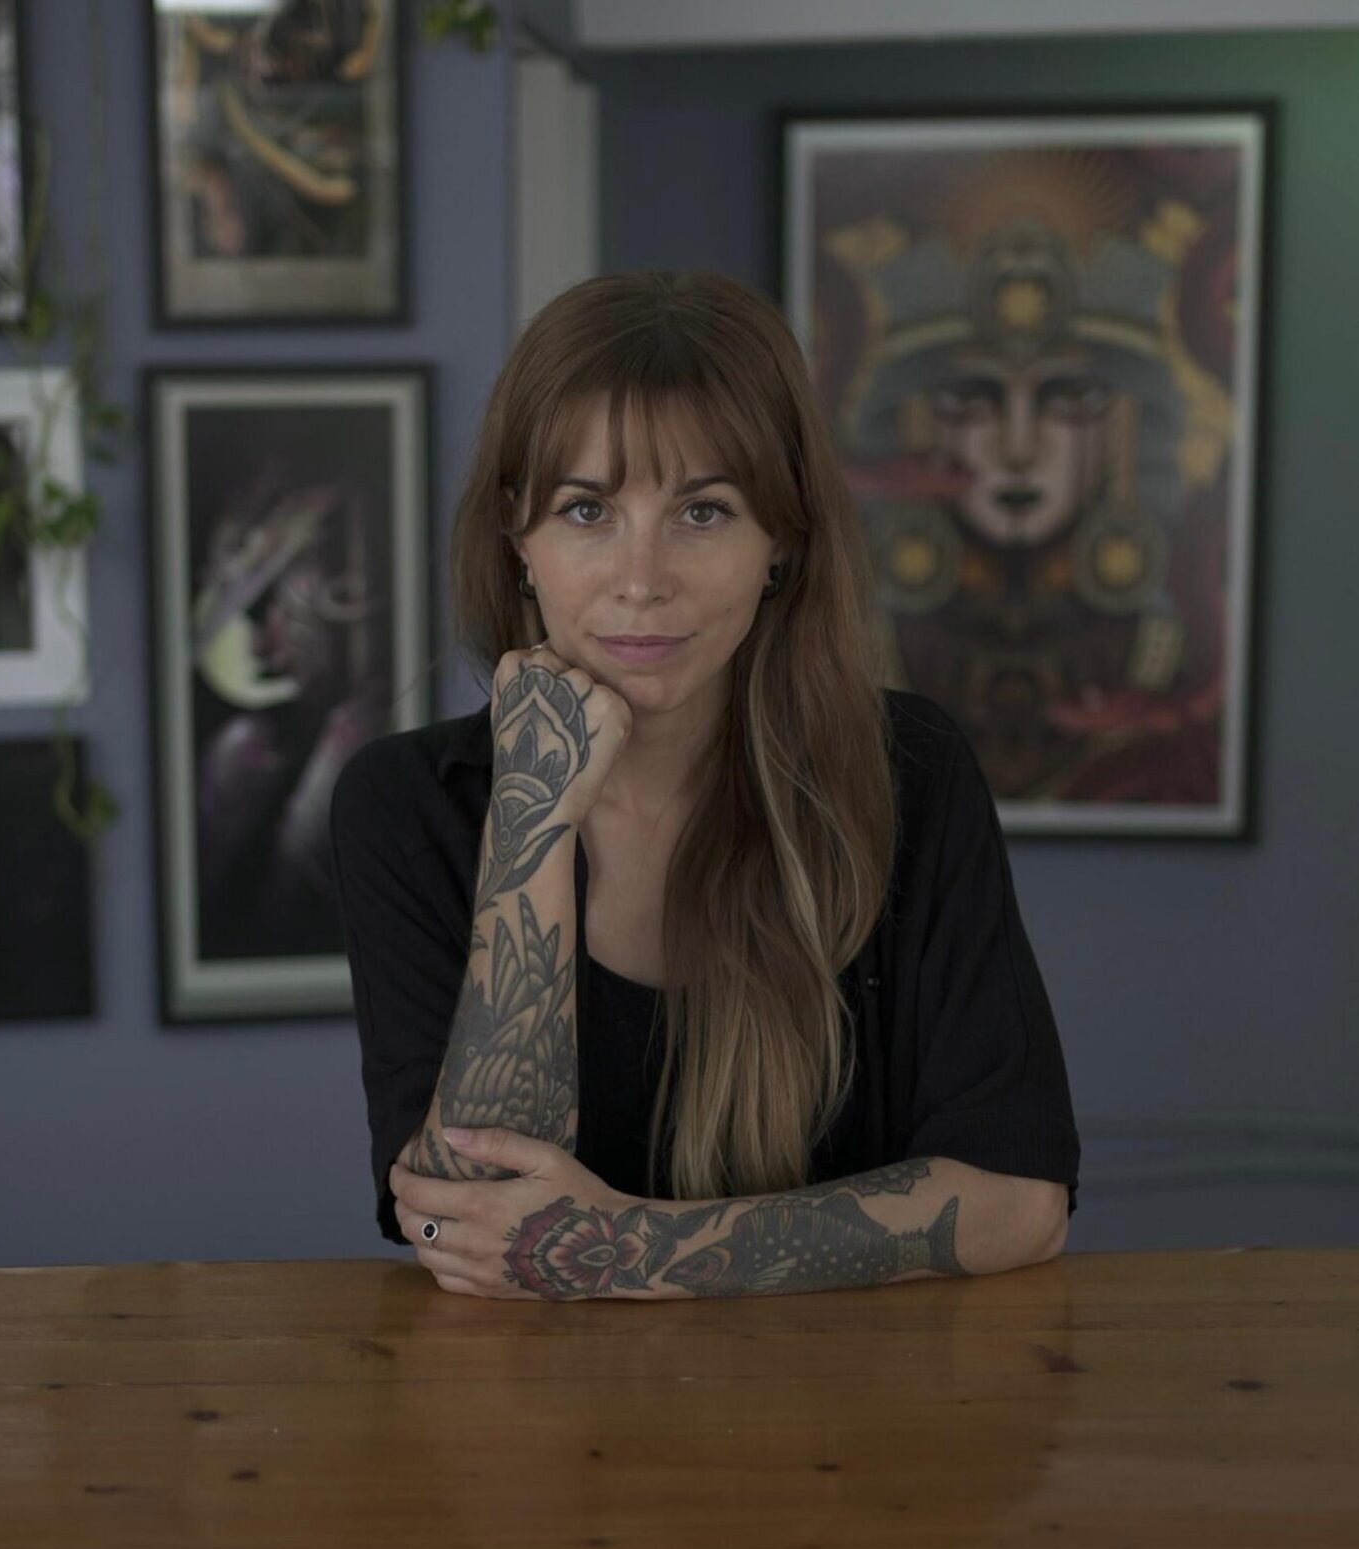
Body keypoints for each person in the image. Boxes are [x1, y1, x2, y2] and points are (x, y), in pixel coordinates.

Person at [329, 269, 1080, 1302]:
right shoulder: (406, 802)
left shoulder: (909, 770)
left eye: (703, 511)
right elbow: (468, 1217)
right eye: (586, 509)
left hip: (853, 1395)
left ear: (782, 543)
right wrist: (533, 820)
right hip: (527, 1400)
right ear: (518, 539)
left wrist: (626, 1246)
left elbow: (1019, 1202)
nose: (642, 579)